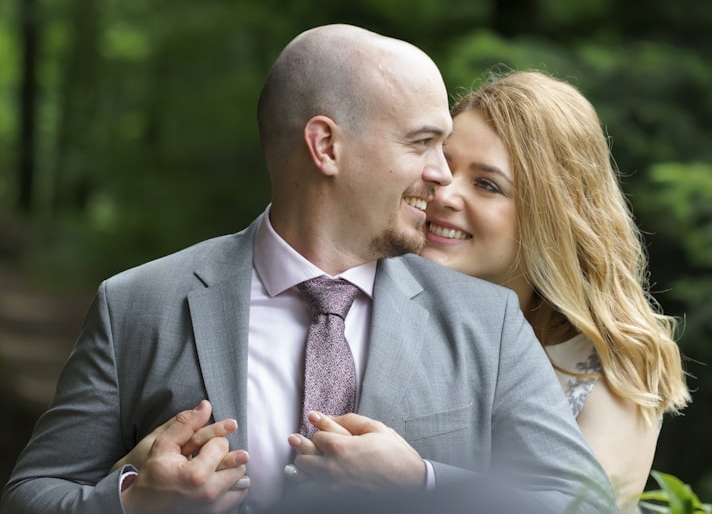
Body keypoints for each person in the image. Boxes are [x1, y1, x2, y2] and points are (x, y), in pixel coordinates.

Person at [1, 25, 615, 514]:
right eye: (422, 143)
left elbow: (585, 505)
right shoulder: (136, 303)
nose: (439, 173)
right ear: (325, 146)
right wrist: (133, 502)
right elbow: (31, 495)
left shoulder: (489, 323)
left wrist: (424, 485)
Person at [419, 70, 692, 512]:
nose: (444, 194)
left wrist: (420, 483)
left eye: (487, 184)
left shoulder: (613, 362)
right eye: (443, 166)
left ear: (550, 214)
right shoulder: (360, 296)